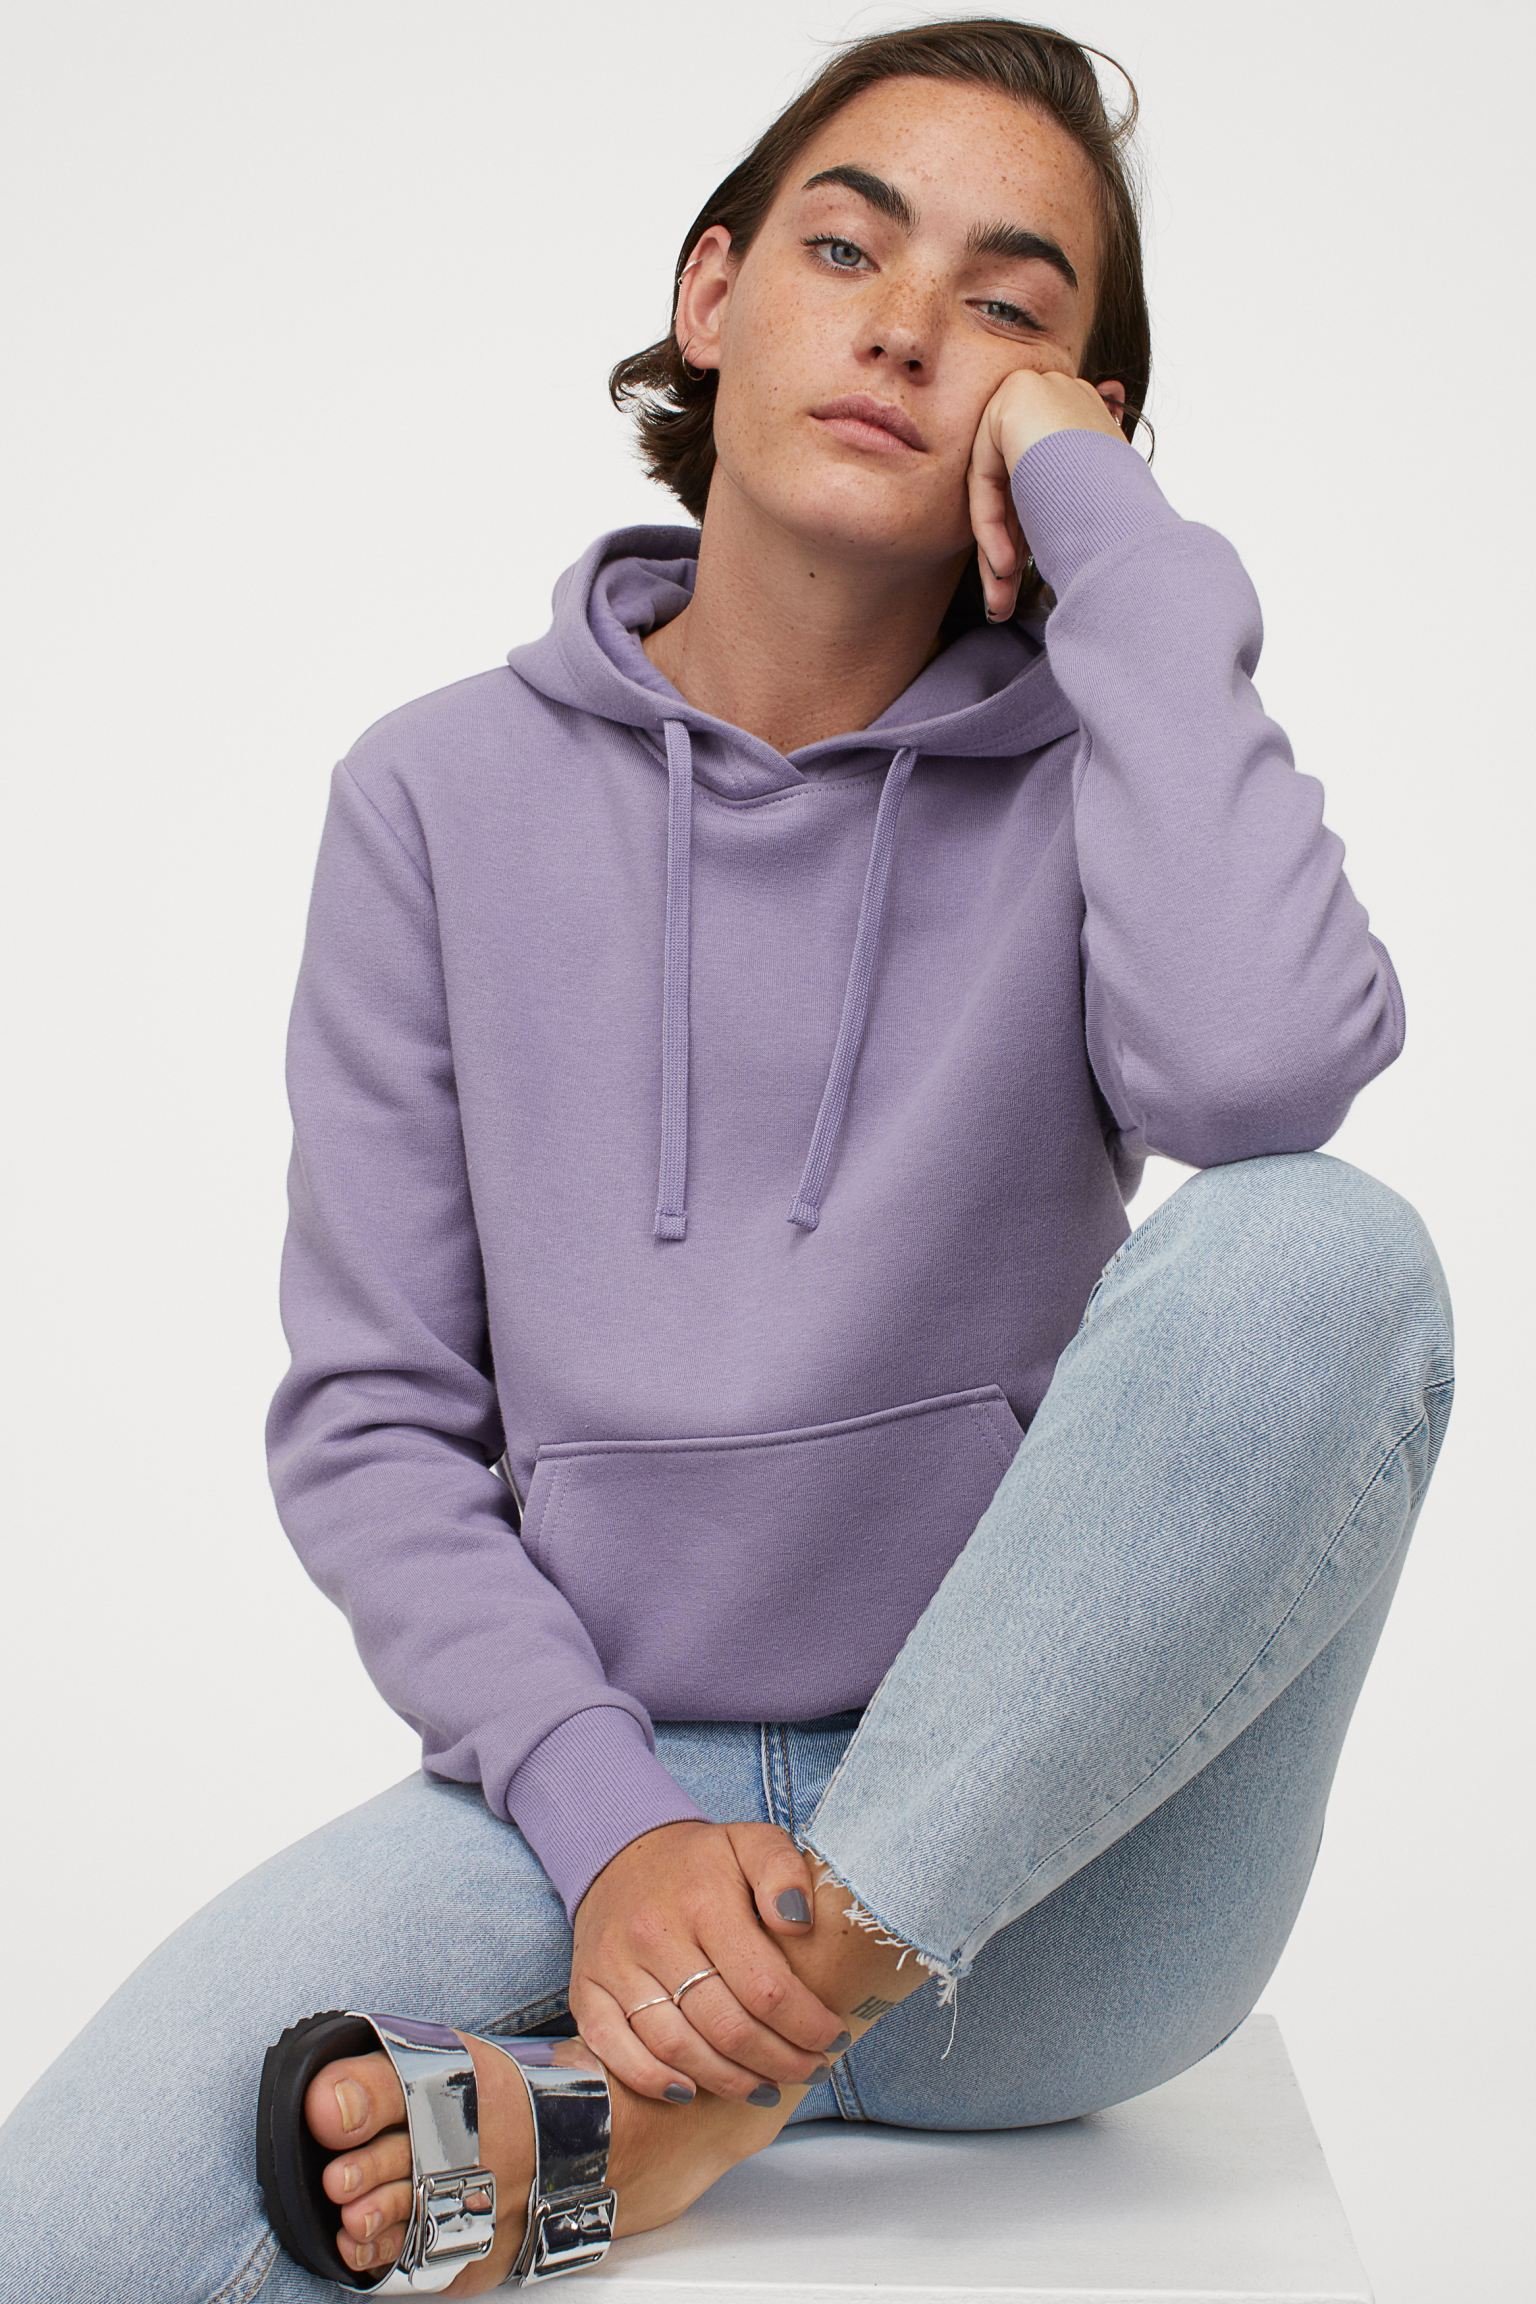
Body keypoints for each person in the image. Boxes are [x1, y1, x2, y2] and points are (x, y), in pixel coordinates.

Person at [0, 16, 1456, 2298]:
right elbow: (373, 1424)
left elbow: (1265, 1076)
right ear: (713, 294)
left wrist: (1122, 548)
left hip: (1044, 1885)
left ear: (1072, 419)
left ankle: (685, 2109)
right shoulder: (433, 797)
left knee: (1328, 1250)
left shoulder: (1110, 778)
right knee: (69, 2234)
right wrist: (610, 1829)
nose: (906, 325)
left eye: (1007, 307)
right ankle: (650, 2101)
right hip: (601, 1834)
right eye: (846, 249)